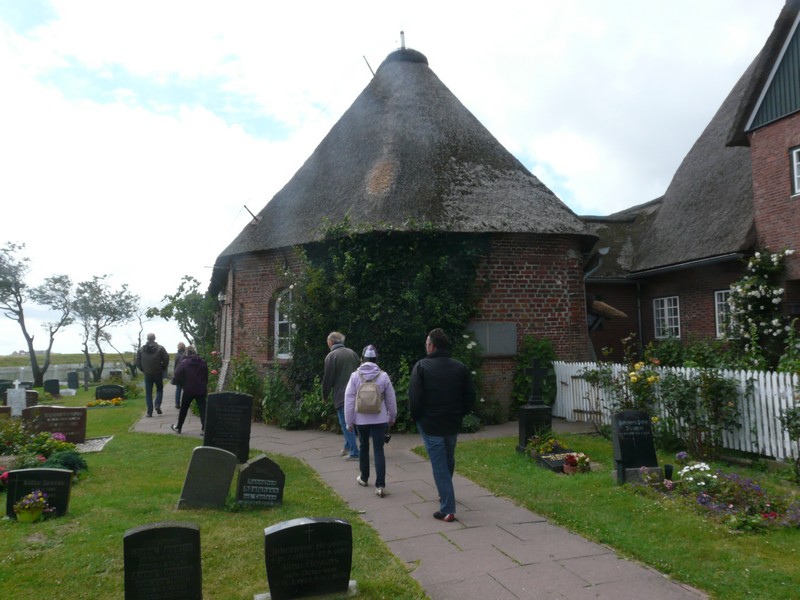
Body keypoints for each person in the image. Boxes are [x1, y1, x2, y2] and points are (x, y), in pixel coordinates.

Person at [409, 327, 476, 522]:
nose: (426, 346)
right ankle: (444, 492)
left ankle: (447, 508)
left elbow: (415, 397)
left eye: (426, 343)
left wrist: (417, 417)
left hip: (430, 423)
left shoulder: (421, 366)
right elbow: (470, 395)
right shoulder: (460, 367)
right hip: (452, 422)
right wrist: (460, 413)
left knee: (439, 464)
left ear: (432, 345)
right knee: (448, 458)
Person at [344, 345, 397, 497]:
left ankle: (364, 477)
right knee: (379, 450)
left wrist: (349, 422)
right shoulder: (383, 376)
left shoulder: (355, 376)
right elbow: (391, 399)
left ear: (362, 359)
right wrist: (391, 417)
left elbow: (349, 399)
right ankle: (380, 486)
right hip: (380, 419)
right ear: (376, 359)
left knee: (364, 447)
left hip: (361, 420)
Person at [322, 331, 361, 460]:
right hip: (356, 393)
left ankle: (354, 452)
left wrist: (325, 395)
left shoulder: (331, 356)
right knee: (352, 422)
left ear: (331, 342)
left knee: (345, 423)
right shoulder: (352, 353)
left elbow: (328, 379)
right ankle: (348, 446)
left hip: (341, 395)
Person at [171, 345, 209, 434]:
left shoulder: (184, 362)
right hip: (200, 389)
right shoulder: (203, 362)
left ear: (187, 352)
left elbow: (177, 374)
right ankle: (204, 429)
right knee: (203, 409)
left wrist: (182, 384)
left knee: (183, 408)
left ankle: (178, 427)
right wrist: (204, 384)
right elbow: (206, 375)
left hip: (188, 389)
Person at [136, 333, 169, 417]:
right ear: (154, 338)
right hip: (158, 372)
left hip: (147, 373)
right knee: (159, 389)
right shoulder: (160, 348)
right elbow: (166, 358)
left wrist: (143, 369)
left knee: (148, 393)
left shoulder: (141, 349)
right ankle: (157, 405)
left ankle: (149, 412)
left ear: (147, 339)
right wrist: (163, 367)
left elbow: (138, 362)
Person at [171, 342, 187, 409]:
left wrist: (174, 374)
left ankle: (177, 403)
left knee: (178, 389)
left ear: (178, 347)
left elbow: (175, 366)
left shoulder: (177, 355)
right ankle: (185, 403)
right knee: (186, 390)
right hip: (185, 374)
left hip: (178, 374)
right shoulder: (186, 354)